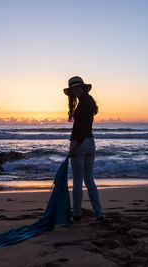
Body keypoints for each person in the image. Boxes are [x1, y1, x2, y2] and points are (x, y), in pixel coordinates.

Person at [63, 76, 103, 222]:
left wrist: (76, 146)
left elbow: (83, 129)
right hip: (90, 143)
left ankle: (78, 213)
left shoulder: (82, 107)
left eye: (78, 88)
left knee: (79, 180)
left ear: (83, 88)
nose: (76, 91)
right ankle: (98, 213)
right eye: (74, 89)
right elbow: (86, 128)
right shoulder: (88, 104)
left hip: (80, 144)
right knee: (89, 179)